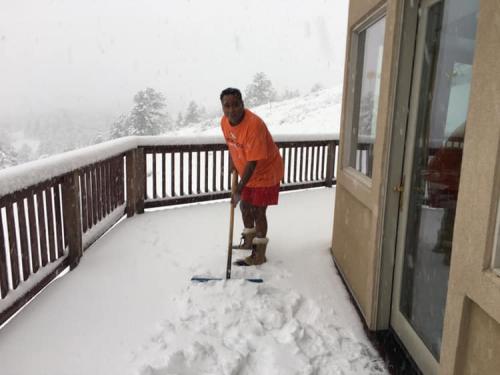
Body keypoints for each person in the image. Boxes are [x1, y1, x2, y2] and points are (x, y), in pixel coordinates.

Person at [219, 87, 284, 266]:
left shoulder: (254, 126)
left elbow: (253, 162)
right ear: (222, 107)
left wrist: (239, 190)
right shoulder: (224, 122)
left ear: (242, 104)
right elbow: (232, 144)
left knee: (258, 210)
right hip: (247, 173)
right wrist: (233, 161)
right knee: (245, 207)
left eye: (235, 105)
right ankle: (249, 240)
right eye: (227, 106)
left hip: (265, 173)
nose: (231, 110)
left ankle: (259, 254)